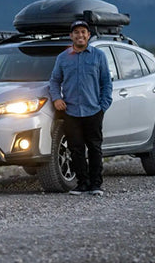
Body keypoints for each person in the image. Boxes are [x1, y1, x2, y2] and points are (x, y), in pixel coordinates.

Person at [49, 20, 113, 196]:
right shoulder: (62, 58)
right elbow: (54, 81)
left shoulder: (98, 56)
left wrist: (103, 105)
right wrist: (56, 99)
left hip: (94, 110)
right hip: (71, 111)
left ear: (88, 35)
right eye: (76, 32)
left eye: (83, 32)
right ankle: (82, 184)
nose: (80, 35)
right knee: (75, 149)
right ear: (71, 36)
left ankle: (96, 185)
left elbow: (106, 82)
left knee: (94, 148)